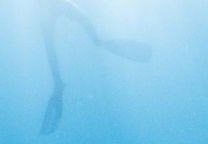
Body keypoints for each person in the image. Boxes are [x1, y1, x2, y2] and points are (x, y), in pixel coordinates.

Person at [38, 0, 152, 135]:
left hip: (51, 7)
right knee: (58, 40)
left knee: (52, 43)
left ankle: (59, 81)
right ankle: (99, 43)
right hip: (53, 7)